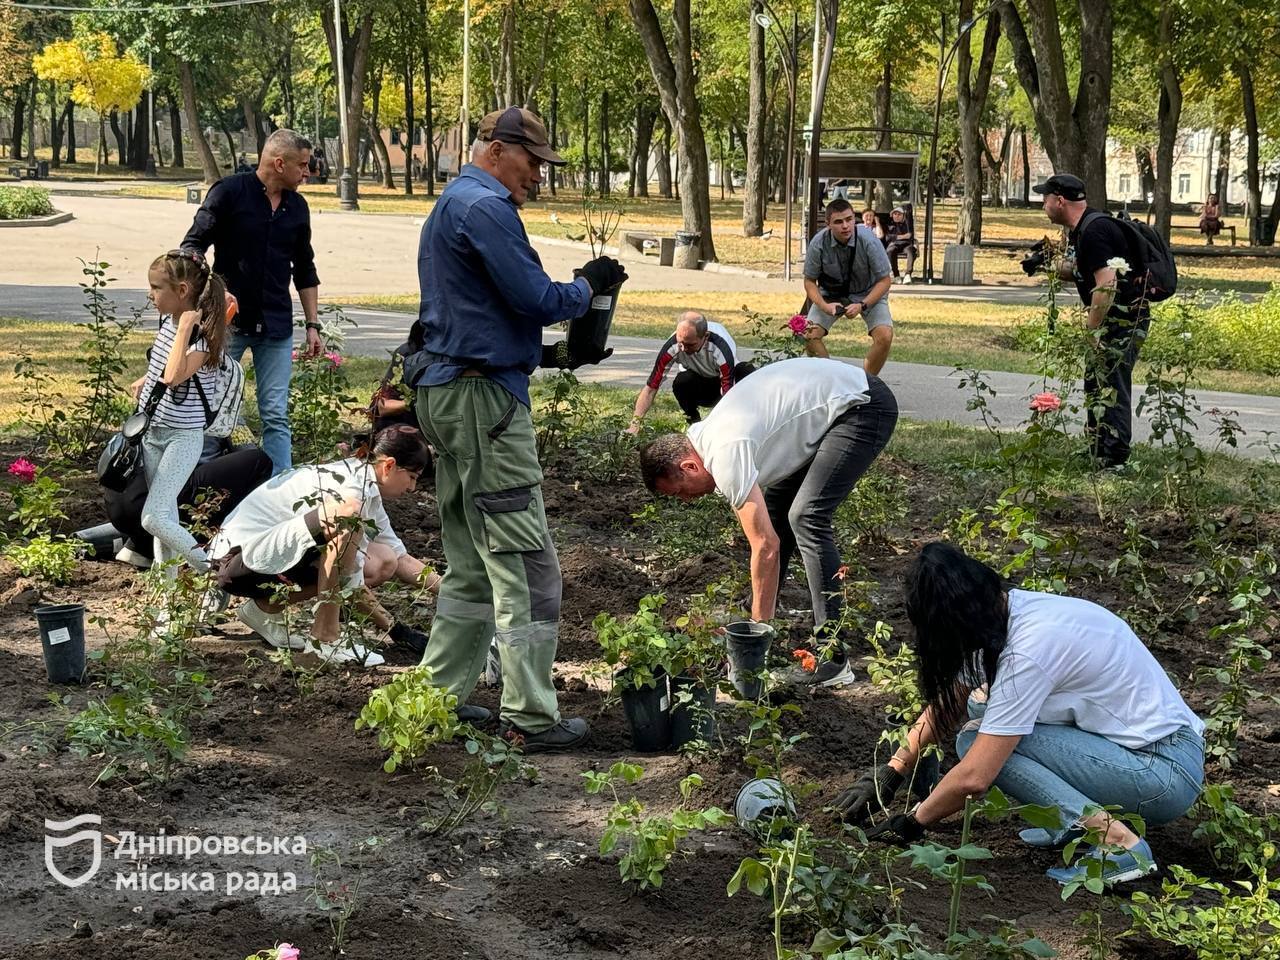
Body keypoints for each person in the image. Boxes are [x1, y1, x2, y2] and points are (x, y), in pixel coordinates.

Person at [405, 105, 627, 751]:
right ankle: (531, 716)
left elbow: (478, 314)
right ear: (499, 149)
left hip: (449, 394)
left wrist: (554, 354)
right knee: (527, 564)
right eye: (533, 162)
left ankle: (434, 702)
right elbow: (536, 299)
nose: (538, 176)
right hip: (483, 406)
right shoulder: (485, 208)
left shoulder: (457, 201)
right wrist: (587, 288)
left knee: (471, 563)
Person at [835, 542, 1205, 887]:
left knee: (978, 741)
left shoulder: (1031, 648)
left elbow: (975, 778)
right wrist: (892, 770)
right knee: (981, 708)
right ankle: (1072, 824)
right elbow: (950, 702)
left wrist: (911, 823)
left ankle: (1118, 844)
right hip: (1138, 752)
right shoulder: (1004, 610)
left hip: (1163, 773)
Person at [639, 357, 898, 686]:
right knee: (778, 514)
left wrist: (754, 643)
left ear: (690, 466)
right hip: (834, 406)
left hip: (862, 406)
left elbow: (765, 547)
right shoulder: (709, 440)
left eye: (680, 493)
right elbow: (765, 539)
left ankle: (832, 657)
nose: (686, 500)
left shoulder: (725, 453)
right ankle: (754, 619)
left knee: (806, 517)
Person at [208, 426, 445, 672]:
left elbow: (400, 558)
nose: (412, 488)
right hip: (236, 562)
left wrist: (456, 593)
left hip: (263, 562)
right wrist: (394, 628)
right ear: (389, 466)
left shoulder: (365, 485)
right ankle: (325, 637)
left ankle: (263, 609)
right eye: (412, 477)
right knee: (349, 516)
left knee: (383, 559)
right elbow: (349, 574)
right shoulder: (352, 490)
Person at [182, 128, 323, 476]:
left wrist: (313, 324)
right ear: (279, 163)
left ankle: (281, 485)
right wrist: (216, 288)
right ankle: (204, 480)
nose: (307, 172)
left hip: (276, 325)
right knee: (213, 404)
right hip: (228, 325)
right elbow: (191, 248)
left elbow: (304, 268)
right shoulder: (229, 193)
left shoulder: (297, 207)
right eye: (302, 166)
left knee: (275, 411)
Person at [126, 250, 229, 580]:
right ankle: (165, 602)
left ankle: (215, 573)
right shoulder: (170, 322)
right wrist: (146, 378)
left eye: (156, 288)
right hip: (154, 431)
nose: (150, 294)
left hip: (182, 437)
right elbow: (163, 367)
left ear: (182, 290)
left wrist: (185, 329)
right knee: (164, 519)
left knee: (153, 517)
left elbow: (174, 376)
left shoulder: (202, 337)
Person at [1035, 173, 1150, 468]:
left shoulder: (1095, 230)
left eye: (1045, 199)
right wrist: (1044, 263)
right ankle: (1096, 447)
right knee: (1095, 382)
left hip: (1124, 319)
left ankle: (1115, 458)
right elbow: (1078, 268)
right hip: (1113, 318)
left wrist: (1093, 330)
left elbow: (1106, 285)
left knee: (1112, 381)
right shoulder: (1082, 228)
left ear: (1060, 200)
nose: (1043, 205)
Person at [105, 439, 273, 566]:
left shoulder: (154, 398)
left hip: (119, 496)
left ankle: (140, 546)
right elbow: (248, 447)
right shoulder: (219, 408)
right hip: (158, 503)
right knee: (259, 461)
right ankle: (210, 550)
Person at [801, 198, 895, 373]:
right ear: (828, 224)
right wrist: (825, 306)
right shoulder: (818, 243)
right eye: (838, 222)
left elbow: (885, 281)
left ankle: (866, 383)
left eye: (849, 219)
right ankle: (831, 380)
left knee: (885, 336)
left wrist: (862, 305)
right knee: (810, 335)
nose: (845, 226)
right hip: (831, 294)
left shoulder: (869, 240)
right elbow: (809, 282)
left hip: (868, 292)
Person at [626, 311, 754, 432]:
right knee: (682, 381)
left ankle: (748, 421)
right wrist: (634, 425)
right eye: (680, 342)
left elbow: (727, 394)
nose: (683, 349)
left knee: (745, 370)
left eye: (690, 345)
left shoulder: (721, 349)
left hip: (729, 388)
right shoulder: (672, 347)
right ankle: (694, 425)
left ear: (706, 337)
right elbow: (650, 389)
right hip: (700, 385)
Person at [884, 206, 917, 283]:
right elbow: (888, 237)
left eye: (899, 214)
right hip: (894, 245)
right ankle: (896, 275)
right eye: (895, 214)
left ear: (903, 215)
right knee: (890, 251)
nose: (897, 216)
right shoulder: (889, 225)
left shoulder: (907, 223)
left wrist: (895, 237)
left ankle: (908, 274)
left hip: (906, 244)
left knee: (911, 251)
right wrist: (902, 236)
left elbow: (909, 235)